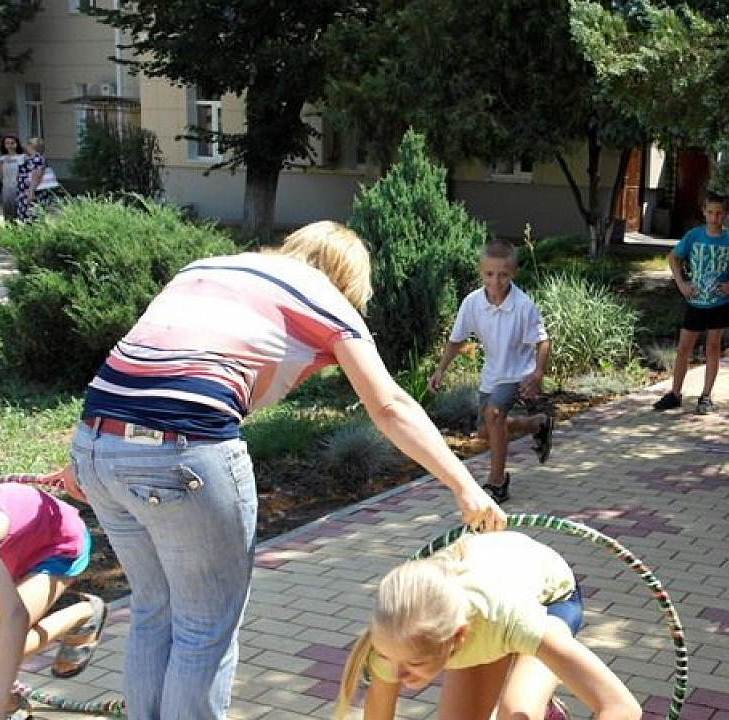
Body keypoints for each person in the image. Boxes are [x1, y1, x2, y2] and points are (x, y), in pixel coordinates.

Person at [66, 221, 507, 720]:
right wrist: (464, 485)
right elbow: (389, 406)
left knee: (153, 611)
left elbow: (143, 360)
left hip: (96, 441)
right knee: (203, 629)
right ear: (346, 280)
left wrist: (87, 457)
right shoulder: (324, 294)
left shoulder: (206, 268)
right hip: (183, 452)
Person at [335, 531, 641, 720]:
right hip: (488, 606)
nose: (398, 674)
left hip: (551, 599)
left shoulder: (507, 619)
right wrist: (401, 658)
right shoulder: (394, 639)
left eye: (415, 662)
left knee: (517, 712)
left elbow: (622, 709)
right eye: (390, 659)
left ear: (457, 637)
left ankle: (544, 711)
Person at [429, 239, 553, 504]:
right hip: (492, 375)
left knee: (494, 414)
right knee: (486, 431)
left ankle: (497, 483)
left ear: (513, 273)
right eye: (489, 274)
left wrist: (538, 373)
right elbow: (457, 339)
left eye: (503, 275)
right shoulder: (472, 303)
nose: (496, 281)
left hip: (518, 374)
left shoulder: (523, 305)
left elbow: (543, 340)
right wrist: (440, 370)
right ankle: (537, 424)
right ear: (480, 271)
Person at [0, 470, 107, 720]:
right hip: (8, 553)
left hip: (53, 545)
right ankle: (12, 706)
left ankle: (81, 611)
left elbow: (13, 615)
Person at [652, 191, 729, 415]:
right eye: (710, 212)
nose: (714, 218)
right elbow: (673, 257)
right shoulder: (694, 235)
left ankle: (706, 396)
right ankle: (675, 393)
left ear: (726, 215)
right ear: (703, 212)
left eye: (719, 213)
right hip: (695, 302)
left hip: (718, 304)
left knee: (712, 347)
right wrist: (681, 284)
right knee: (683, 348)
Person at [15, 138, 58, 223]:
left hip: (32, 191)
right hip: (24, 191)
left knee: (31, 215)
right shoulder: (28, 158)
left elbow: (37, 175)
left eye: (27, 145)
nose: (25, 147)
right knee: (26, 215)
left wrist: (31, 192)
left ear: (32, 146)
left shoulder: (37, 159)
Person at [0, 135, 26, 222]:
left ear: (17, 144)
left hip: (20, 187)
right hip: (6, 187)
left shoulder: (22, 157)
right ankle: (10, 230)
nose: (10, 145)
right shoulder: (2, 158)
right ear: (4, 145)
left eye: (12, 143)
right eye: (7, 143)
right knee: (8, 211)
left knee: (19, 210)